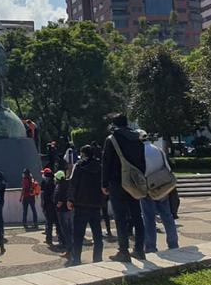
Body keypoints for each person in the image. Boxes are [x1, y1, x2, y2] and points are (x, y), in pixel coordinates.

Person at [101, 113, 147, 262]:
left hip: (117, 182)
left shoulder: (112, 139)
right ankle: (139, 249)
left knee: (120, 217)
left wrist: (104, 183)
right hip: (134, 182)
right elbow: (142, 162)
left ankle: (123, 251)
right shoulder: (137, 139)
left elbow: (106, 163)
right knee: (137, 215)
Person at [66, 144, 106, 265]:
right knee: (97, 235)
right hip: (95, 205)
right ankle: (98, 258)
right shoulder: (100, 167)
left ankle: (76, 259)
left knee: (78, 235)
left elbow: (73, 184)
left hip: (81, 205)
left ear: (83, 154)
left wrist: (70, 200)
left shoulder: (79, 166)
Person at [138, 137, 179, 253]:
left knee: (148, 218)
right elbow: (168, 167)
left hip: (147, 187)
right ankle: (173, 243)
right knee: (167, 216)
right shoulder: (158, 149)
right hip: (162, 186)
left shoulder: (139, 151)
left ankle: (151, 246)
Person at [39, 168, 59, 247]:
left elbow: (43, 194)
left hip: (48, 205)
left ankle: (49, 239)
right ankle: (61, 239)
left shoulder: (44, 182)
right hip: (55, 205)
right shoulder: (55, 181)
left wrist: (42, 204)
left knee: (49, 223)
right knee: (58, 223)